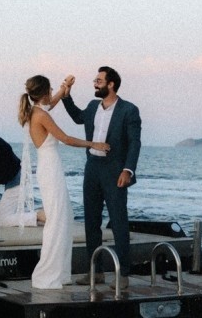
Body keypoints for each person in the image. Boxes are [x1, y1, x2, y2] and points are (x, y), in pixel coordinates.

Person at [19, 75, 109, 289]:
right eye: (50, 90)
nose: (52, 93)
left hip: (50, 167)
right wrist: (94, 144)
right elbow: (66, 138)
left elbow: (51, 102)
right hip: (50, 169)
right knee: (57, 220)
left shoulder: (36, 110)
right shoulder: (41, 115)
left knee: (63, 217)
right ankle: (47, 274)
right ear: (43, 92)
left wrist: (64, 88)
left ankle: (59, 273)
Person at [61, 67, 142, 284]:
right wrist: (66, 97)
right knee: (91, 222)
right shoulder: (92, 106)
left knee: (118, 222)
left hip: (115, 171)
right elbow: (77, 117)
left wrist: (128, 170)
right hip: (92, 168)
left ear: (111, 84)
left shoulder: (129, 110)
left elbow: (135, 143)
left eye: (99, 80)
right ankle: (95, 273)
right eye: (95, 80)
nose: (95, 83)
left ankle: (123, 274)